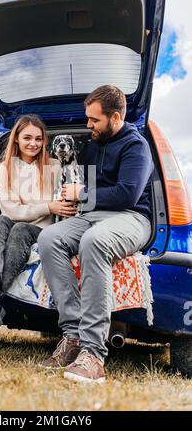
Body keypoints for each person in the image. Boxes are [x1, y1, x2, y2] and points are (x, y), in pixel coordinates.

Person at [38, 85, 153, 384]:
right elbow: (83, 185)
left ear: (115, 117)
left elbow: (127, 194)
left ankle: (93, 354)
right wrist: (70, 197)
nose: (88, 125)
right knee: (49, 239)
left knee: (94, 242)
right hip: (91, 215)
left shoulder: (136, 146)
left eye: (94, 120)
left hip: (131, 218)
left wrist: (83, 193)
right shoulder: (92, 144)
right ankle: (73, 336)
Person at [0, 114, 77, 334]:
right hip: (13, 221)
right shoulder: (4, 169)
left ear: (44, 141)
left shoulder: (56, 166)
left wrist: (58, 207)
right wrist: (48, 207)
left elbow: (66, 203)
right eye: (27, 138)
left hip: (43, 229)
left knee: (20, 229)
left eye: (39, 139)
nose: (33, 144)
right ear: (17, 139)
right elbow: (10, 210)